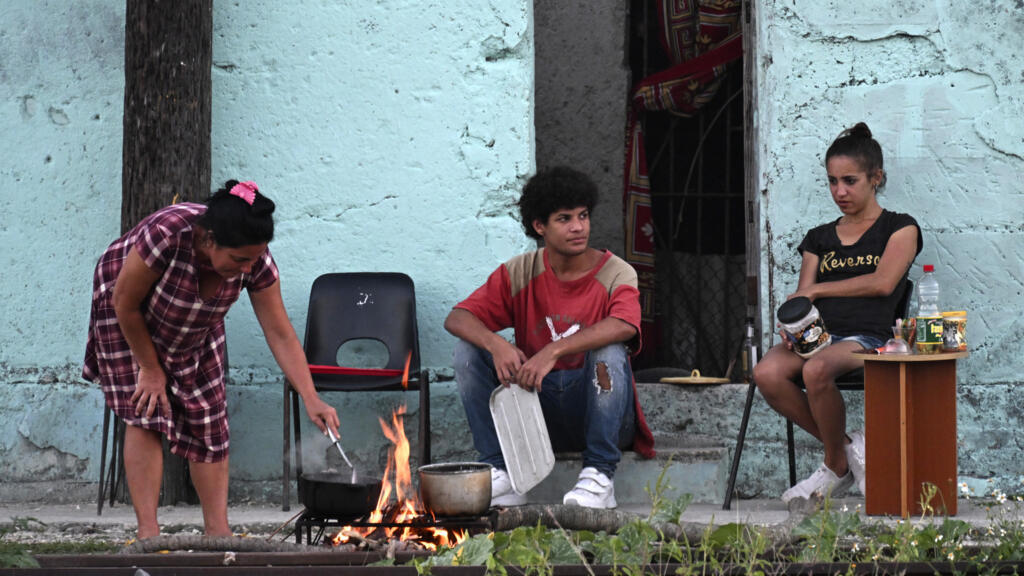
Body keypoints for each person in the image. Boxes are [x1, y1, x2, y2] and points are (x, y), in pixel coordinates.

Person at [83, 180, 340, 539]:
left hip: (195, 325)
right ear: (207, 240)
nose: (248, 267)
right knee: (147, 409)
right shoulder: (167, 235)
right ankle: (148, 534)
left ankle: (218, 534)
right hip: (126, 311)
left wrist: (311, 397)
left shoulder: (254, 260)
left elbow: (280, 333)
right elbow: (124, 303)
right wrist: (151, 369)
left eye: (253, 258)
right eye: (238, 260)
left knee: (210, 419)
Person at [445, 166, 655, 510]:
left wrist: (553, 351)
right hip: (534, 413)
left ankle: (600, 476)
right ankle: (505, 471)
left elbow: (625, 324)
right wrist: (497, 344)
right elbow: (458, 317)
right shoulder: (520, 271)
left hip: (599, 413)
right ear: (539, 226)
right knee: (469, 350)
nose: (578, 227)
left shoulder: (617, 271)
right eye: (564, 218)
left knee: (610, 349)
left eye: (583, 216)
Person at [753, 123, 922, 502]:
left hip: (871, 337)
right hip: (818, 337)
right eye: (832, 182)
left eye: (850, 180)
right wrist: (792, 326)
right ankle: (848, 452)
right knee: (766, 372)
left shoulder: (900, 227)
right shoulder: (819, 237)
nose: (839, 192)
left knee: (816, 369)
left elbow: (883, 283)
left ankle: (833, 465)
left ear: (875, 177)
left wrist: (815, 289)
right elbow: (802, 301)